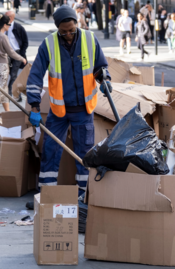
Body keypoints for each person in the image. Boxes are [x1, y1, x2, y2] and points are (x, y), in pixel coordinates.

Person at [25, 5, 111, 193]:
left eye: (72, 30)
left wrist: (104, 79)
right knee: (50, 151)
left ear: (77, 24)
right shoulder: (48, 44)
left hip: (83, 109)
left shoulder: (89, 39)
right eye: (64, 32)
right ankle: (47, 194)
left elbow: (100, 66)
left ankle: (83, 196)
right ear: (57, 28)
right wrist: (34, 105)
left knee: (84, 156)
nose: (69, 35)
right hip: (59, 111)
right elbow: (35, 75)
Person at [5, 11, 29, 102]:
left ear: (11, 18)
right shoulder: (3, 26)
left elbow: (25, 42)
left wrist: (22, 54)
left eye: (5, 17)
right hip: (6, 54)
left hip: (17, 53)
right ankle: (13, 94)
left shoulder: (18, 27)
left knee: (13, 74)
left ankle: (11, 94)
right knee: (6, 75)